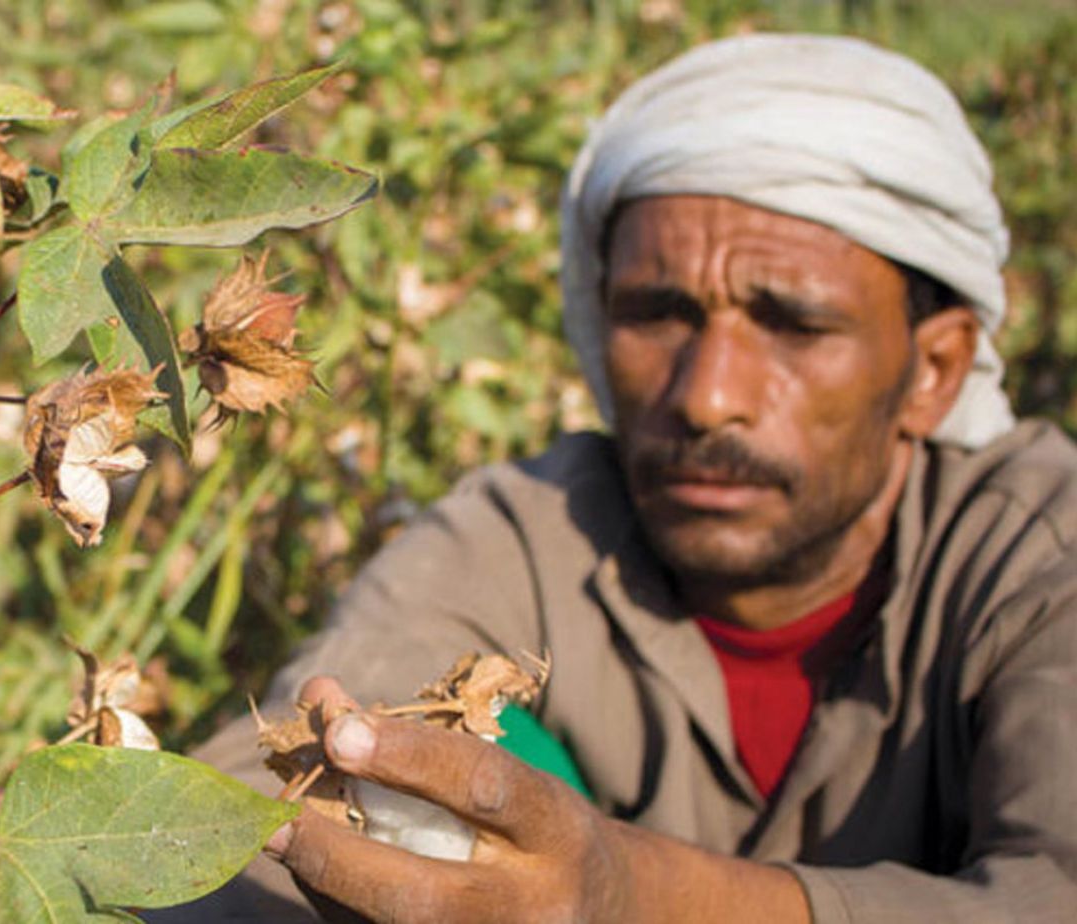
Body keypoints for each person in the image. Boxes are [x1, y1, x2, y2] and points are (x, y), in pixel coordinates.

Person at [164, 33, 1077, 923]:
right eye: (658, 314)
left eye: (793, 325)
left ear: (935, 371)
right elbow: (254, 800)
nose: (709, 395)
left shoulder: (1040, 553)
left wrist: (635, 896)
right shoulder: (527, 532)